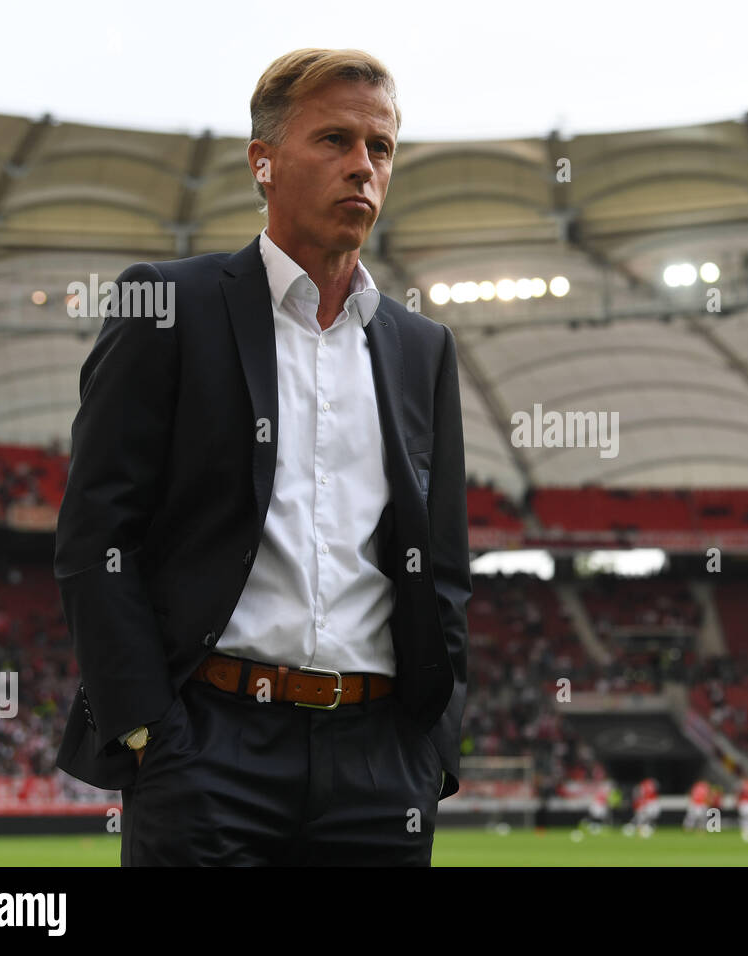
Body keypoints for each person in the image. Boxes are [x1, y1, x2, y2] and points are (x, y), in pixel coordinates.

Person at [53, 48, 470, 866]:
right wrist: (149, 730)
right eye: (334, 141)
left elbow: (444, 567)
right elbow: (95, 538)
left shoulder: (422, 349)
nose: (362, 166)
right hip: (207, 747)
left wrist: (430, 753)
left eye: (379, 148)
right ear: (264, 161)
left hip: (379, 767)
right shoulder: (169, 306)